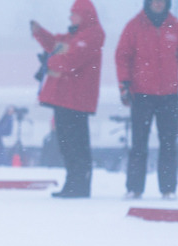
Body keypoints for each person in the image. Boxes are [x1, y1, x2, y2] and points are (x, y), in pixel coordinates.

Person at [31, 0, 105, 198]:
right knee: (67, 144)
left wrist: (50, 60)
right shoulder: (75, 36)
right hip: (66, 99)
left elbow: (70, 60)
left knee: (75, 145)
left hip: (76, 100)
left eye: (74, 14)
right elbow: (55, 45)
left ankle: (78, 185)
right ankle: (74, 184)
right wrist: (39, 33)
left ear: (85, 15)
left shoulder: (90, 36)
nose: (71, 18)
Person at [115, 0, 178, 199]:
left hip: (169, 96)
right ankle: (134, 188)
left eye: (162, 0)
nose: (158, 3)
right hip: (142, 95)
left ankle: (168, 189)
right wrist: (124, 84)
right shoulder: (134, 26)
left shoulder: (177, 27)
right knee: (138, 144)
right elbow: (122, 56)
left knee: (169, 144)